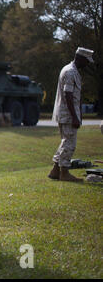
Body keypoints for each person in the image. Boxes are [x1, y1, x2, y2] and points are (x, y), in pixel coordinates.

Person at [48, 47, 94, 182]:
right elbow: (68, 95)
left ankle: (55, 170)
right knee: (69, 144)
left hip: (67, 113)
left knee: (65, 143)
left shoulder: (70, 70)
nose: (87, 64)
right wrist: (74, 116)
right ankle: (64, 173)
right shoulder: (70, 72)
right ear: (79, 58)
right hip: (68, 114)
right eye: (86, 61)